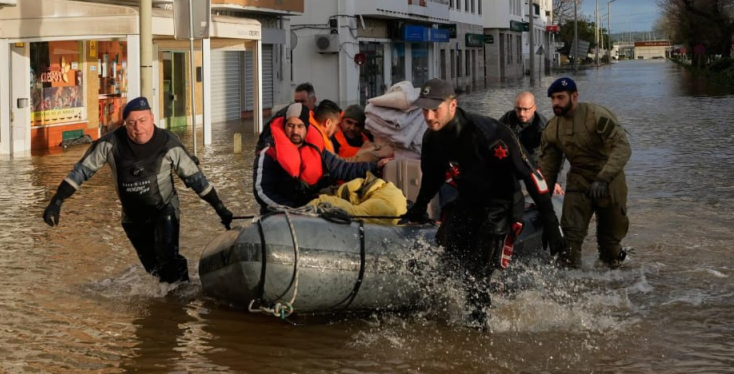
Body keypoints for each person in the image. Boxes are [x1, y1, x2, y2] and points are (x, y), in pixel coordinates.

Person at [402, 78, 566, 329]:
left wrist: (552, 225)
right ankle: (449, 321)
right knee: (448, 260)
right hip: (468, 200)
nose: (429, 116)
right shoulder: (432, 140)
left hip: (501, 205)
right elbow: (432, 180)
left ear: (453, 105)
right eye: (424, 109)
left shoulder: (489, 133)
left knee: (476, 274)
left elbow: (532, 176)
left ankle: (478, 330)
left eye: (435, 109)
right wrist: (416, 210)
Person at [42, 97, 234, 284]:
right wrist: (56, 201)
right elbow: (81, 172)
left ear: (152, 118)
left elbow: (196, 179)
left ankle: (179, 303)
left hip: (164, 209)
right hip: (132, 217)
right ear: (124, 124)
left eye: (142, 120)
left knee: (167, 260)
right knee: (154, 269)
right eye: (131, 123)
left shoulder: (169, 143)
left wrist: (220, 208)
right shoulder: (109, 144)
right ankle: (179, 291)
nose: (138, 128)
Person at [538, 77, 631, 269]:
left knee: (609, 248)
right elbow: (548, 169)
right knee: (569, 244)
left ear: (574, 96)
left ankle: (615, 273)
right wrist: (543, 203)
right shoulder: (552, 129)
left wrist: (603, 179)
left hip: (609, 179)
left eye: (560, 98)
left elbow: (622, 148)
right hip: (579, 181)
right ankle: (572, 287)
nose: (555, 103)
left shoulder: (596, 116)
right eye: (553, 98)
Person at [252, 102, 385, 213]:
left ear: (307, 128)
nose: (295, 131)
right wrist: (290, 210)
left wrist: (375, 166)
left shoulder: (317, 149)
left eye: (300, 126)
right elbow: (262, 191)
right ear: (285, 126)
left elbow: (343, 168)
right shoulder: (269, 153)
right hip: (279, 214)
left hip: (308, 211)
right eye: (290, 126)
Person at [498, 91, 547, 165]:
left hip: (533, 163)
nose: (521, 114)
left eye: (526, 109)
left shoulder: (542, 127)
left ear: (534, 108)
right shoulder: (508, 117)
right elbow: (495, 133)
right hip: (511, 158)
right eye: (518, 109)